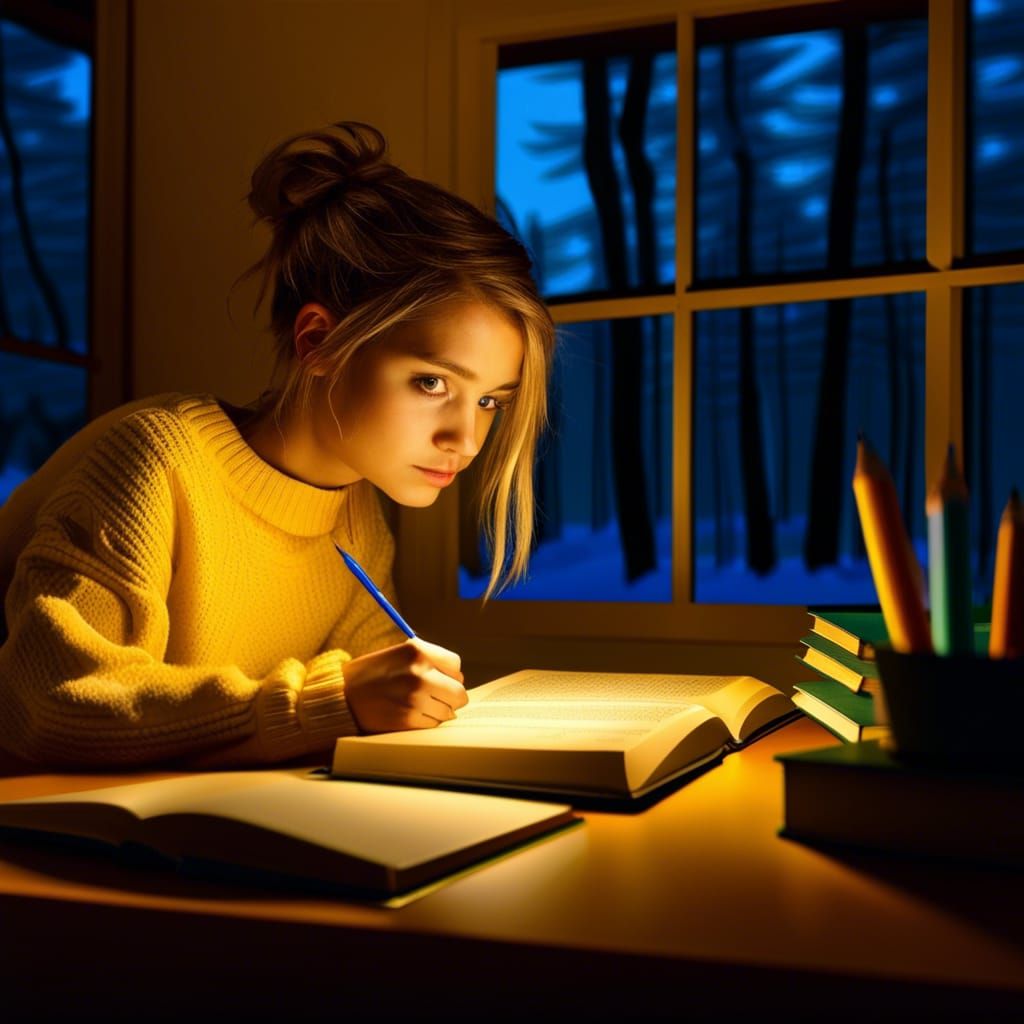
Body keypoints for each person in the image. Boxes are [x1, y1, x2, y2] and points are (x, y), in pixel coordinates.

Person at [0, 121, 555, 769]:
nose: (465, 437)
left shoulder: (355, 518)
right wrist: (329, 701)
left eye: (491, 400)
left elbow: (372, 700)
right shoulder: (155, 461)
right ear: (317, 341)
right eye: (432, 381)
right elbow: (47, 702)